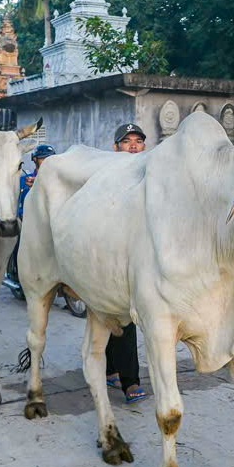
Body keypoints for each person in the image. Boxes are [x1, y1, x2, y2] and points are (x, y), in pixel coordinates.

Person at [107, 123, 147, 403]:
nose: (133, 145)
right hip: (109, 252)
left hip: (141, 253)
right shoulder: (105, 176)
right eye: (126, 142)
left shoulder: (151, 174)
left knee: (124, 315)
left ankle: (121, 374)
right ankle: (124, 378)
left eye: (138, 141)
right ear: (116, 147)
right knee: (114, 313)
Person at [5, 144, 55, 290]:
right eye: (43, 159)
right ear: (35, 160)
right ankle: (18, 274)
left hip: (49, 221)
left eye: (50, 159)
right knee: (18, 240)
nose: (47, 162)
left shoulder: (57, 180)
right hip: (27, 221)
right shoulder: (25, 179)